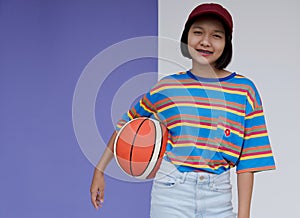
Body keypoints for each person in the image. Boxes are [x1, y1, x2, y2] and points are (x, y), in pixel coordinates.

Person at [90, 3, 276, 218]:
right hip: (171, 192)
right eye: (198, 32)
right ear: (186, 36)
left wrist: (244, 216)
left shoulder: (244, 90)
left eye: (216, 35)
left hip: (219, 196)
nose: (205, 41)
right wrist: (99, 169)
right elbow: (127, 125)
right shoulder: (168, 87)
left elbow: (249, 159)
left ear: (227, 43)